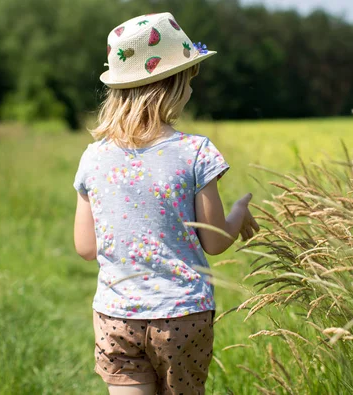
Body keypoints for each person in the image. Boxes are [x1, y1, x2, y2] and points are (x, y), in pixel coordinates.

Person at [73, 12, 259, 395]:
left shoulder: (93, 157)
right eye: (190, 77)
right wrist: (238, 214)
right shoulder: (196, 152)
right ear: (174, 84)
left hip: (116, 316)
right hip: (182, 317)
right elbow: (214, 241)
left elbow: (86, 248)